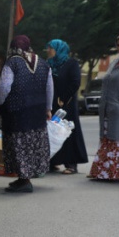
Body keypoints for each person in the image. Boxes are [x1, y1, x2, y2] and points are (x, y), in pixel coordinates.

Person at [0, 35, 54, 193]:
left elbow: (4, 86)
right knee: (33, 144)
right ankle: (23, 178)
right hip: (37, 111)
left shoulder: (12, 62)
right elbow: (49, 88)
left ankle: (25, 180)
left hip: (17, 112)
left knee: (19, 144)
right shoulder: (44, 63)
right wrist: (48, 108)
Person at [88, 31, 119, 181]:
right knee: (108, 138)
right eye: (118, 45)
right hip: (109, 108)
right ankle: (103, 171)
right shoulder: (115, 62)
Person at [45, 39, 88, 174]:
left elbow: (75, 82)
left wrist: (63, 98)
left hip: (66, 104)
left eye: (50, 48)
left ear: (58, 50)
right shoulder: (49, 65)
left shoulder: (71, 63)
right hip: (52, 103)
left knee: (68, 132)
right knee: (52, 132)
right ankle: (52, 161)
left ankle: (71, 164)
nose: (48, 51)